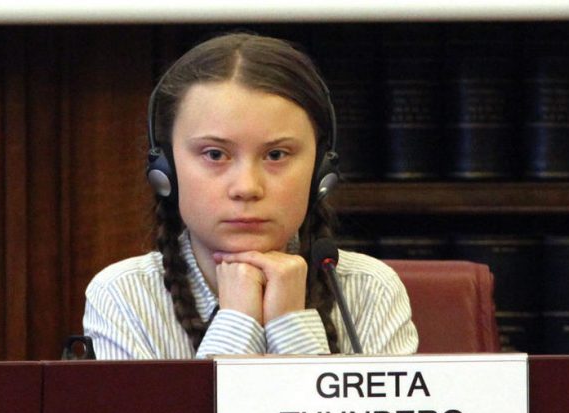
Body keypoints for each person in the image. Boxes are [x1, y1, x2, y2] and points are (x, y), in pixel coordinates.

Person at [83, 32, 418, 359]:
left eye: (276, 155)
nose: (246, 187)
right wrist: (237, 322)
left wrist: (291, 323)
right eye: (215, 154)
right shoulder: (123, 295)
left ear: (320, 172)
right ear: (166, 170)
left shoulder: (370, 290)